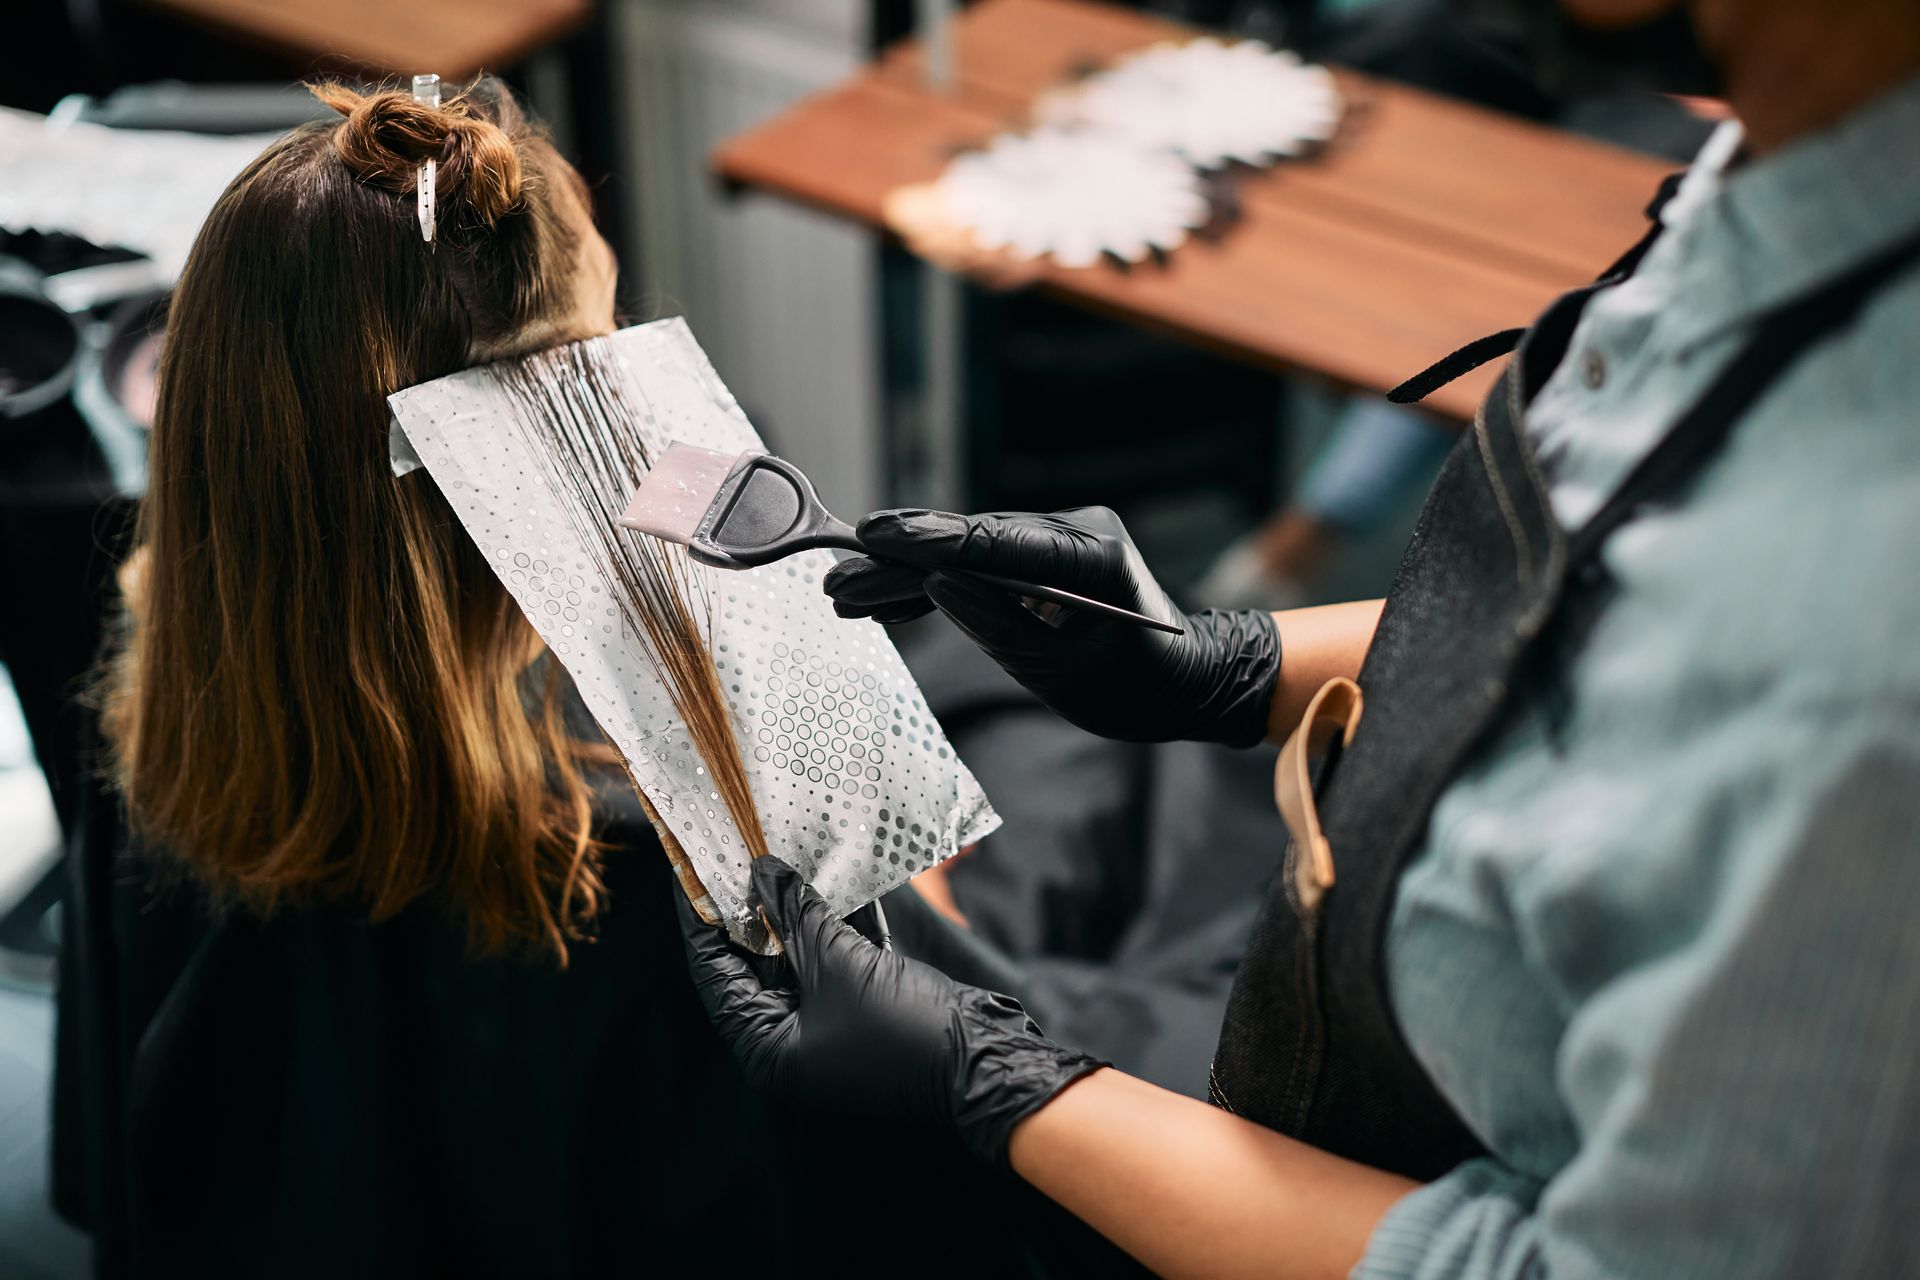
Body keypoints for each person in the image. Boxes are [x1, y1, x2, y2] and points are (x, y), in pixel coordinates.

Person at [680, 1, 1920, 1276]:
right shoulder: (1794, 168)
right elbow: (1642, 641)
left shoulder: (1872, 657)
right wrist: (1233, 664)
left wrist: (1007, 1084)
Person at [61, 78, 1112, 1279]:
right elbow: (960, 1175)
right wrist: (919, 923)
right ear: (550, 434)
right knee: (1119, 789)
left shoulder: (155, 721)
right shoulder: (665, 872)